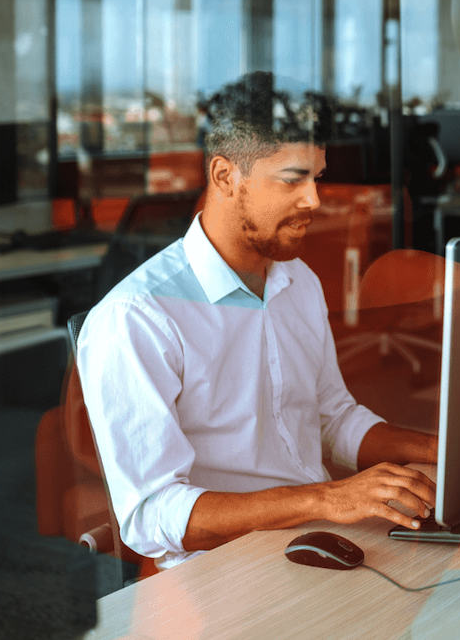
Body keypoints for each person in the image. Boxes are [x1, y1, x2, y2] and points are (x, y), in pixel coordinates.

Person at [78, 74, 438, 570]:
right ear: (226, 176)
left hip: (318, 536)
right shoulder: (136, 317)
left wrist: (437, 450)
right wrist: (327, 498)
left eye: (317, 177)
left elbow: (333, 418)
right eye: (293, 179)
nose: (315, 199)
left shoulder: (297, 281)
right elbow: (149, 514)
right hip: (221, 570)